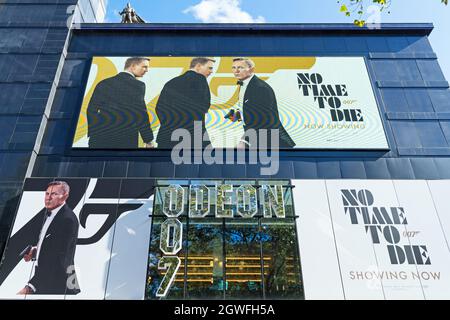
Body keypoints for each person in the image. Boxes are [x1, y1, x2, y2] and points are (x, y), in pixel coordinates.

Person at [18, 181, 80, 295]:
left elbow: (58, 257)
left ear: (65, 196)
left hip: (58, 283)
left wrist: (31, 286)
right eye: (47, 194)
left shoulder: (67, 219)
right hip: (46, 280)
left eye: (54, 194)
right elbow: (51, 245)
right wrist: (35, 251)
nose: (48, 198)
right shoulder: (52, 214)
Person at [87, 57, 155, 149]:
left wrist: (94, 131)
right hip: (125, 139)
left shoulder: (103, 83)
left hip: (99, 138)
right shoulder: (138, 85)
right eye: (144, 67)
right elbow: (140, 113)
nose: (147, 70)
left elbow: (91, 110)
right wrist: (148, 139)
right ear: (133, 66)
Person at [231, 57, 296, 149]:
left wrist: (244, 141)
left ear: (251, 69)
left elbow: (263, 119)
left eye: (240, 67)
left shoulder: (260, 88)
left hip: (270, 139)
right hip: (256, 136)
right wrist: (235, 115)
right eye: (233, 68)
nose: (236, 71)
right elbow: (248, 108)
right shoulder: (245, 84)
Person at [155, 57, 215, 149]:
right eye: (209, 68)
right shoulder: (200, 79)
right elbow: (204, 107)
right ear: (198, 66)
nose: (211, 71)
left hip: (166, 136)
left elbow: (159, 108)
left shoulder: (171, 82)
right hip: (193, 136)